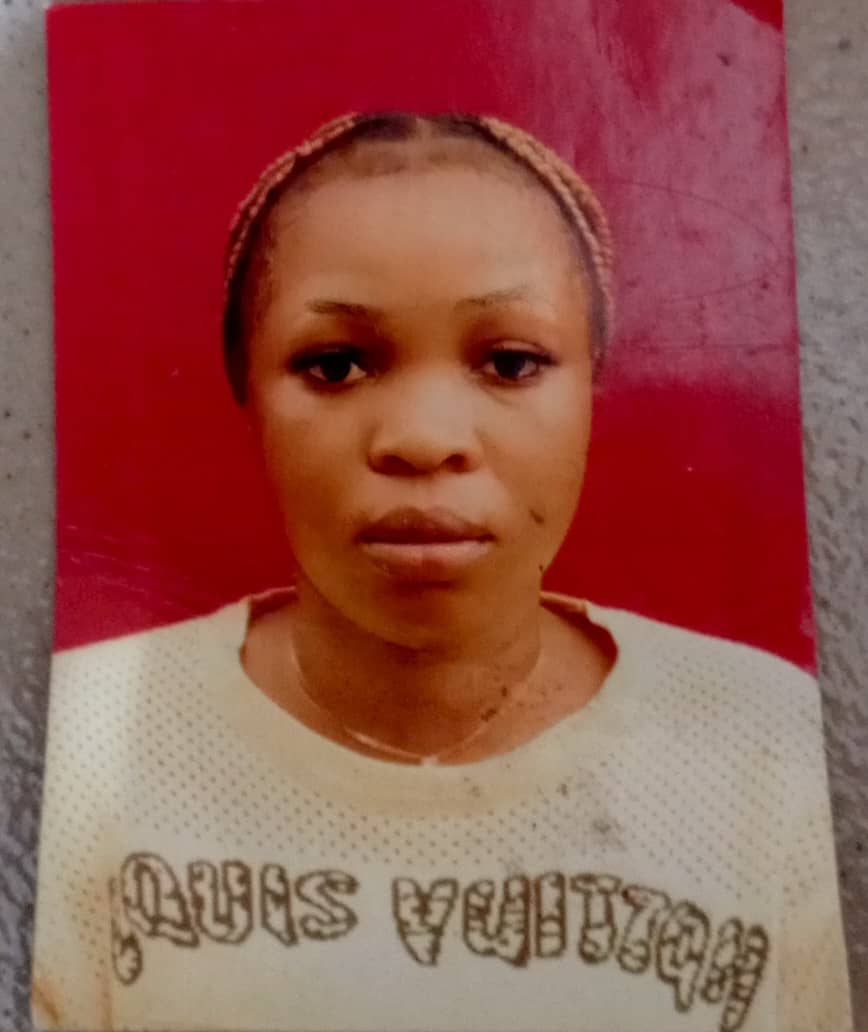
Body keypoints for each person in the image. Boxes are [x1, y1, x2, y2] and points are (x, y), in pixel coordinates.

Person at [32, 112, 852, 1032]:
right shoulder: (73, 751)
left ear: (591, 388)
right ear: (248, 391)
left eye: (510, 362)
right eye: (336, 366)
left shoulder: (767, 750)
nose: (423, 438)